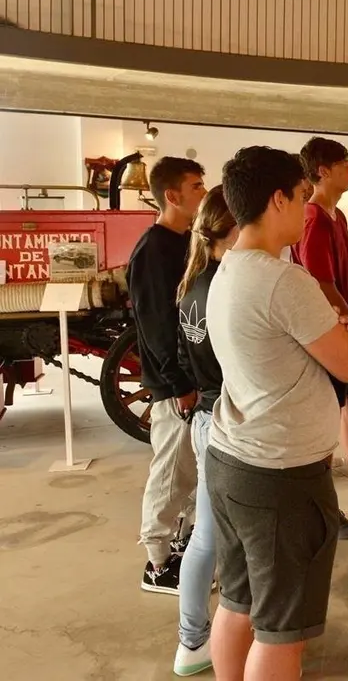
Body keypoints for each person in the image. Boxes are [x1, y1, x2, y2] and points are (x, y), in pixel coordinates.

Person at [205, 146, 348, 679]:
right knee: (282, 633)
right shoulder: (284, 281)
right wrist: (345, 334)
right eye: (301, 197)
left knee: (239, 603)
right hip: (281, 475)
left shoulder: (229, 267)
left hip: (233, 459)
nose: (307, 208)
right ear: (278, 198)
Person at [126, 156, 206, 595]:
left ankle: (178, 546)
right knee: (171, 472)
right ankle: (156, 563)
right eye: (196, 186)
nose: (202, 193)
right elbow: (157, 327)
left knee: (188, 471)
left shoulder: (183, 242)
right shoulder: (154, 250)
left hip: (190, 381)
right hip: (173, 385)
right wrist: (180, 384)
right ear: (172, 195)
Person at [172, 186, 237, 677]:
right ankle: (196, 641)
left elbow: (180, 357)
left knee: (206, 540)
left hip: (203, 418)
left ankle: (194, 638)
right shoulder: (224, 285)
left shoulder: (192, 283)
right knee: (214, 542)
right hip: (223, 422)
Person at [293, 137, 348, 540]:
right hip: (330, 332)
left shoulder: (336, 217)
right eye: (344, 164)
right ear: (323, 171)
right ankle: (327, 508)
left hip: (345, 326)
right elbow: (320, 281)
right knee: (329, 420)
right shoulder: (314, 218)